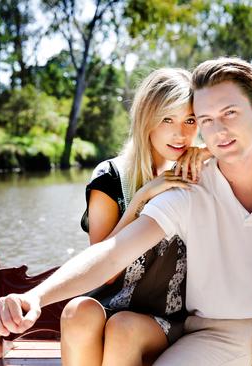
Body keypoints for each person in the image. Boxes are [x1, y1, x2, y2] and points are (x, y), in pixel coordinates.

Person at [0, 58, 252, 366]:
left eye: (230, 114)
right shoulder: (187, 183)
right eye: (206, 120)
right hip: (212, 338)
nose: (219, 130)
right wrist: (33, 297)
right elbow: (113, 252)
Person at [60, 68, 208, 366]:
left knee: (123, 328)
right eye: (167, 119)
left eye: (190, 120)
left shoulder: (204, 173)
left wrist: (210, 154)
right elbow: (103, 271)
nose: (180, 133)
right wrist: (141, 199)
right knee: (77, 312)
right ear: (146, 119)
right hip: (109, 308)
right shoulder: (112, 177)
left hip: (168, 319)